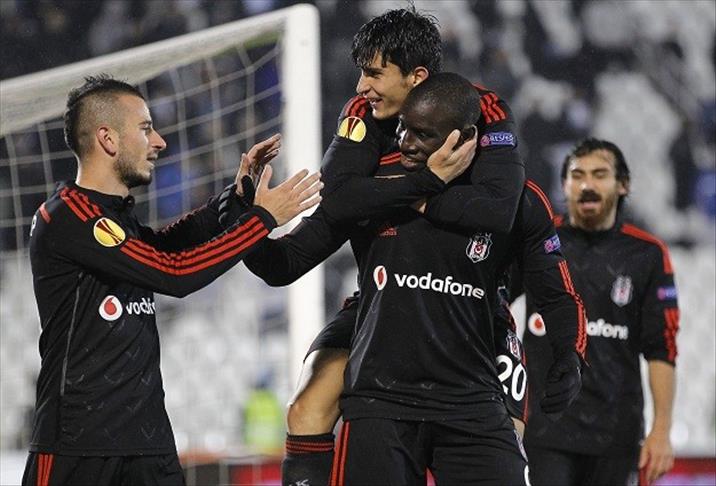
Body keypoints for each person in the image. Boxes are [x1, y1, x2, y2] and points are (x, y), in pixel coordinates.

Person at [246, 72, 586, 484]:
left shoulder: (513, 199)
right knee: (306, 409)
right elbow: (285, 263)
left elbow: (557, 293)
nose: (406, 142)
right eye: (403, 128)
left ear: (464, 137)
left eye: (422, 134)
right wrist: (248, 220)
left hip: (476, 359)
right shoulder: (372, 188)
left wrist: (570, 355)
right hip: (381, 371)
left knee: (510, 437)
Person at [22, 75, 322, 486]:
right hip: (79, 447)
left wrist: (235, 199)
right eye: (146, 129)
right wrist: (262, 219)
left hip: (149, 445)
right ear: (108, 139)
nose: (159, 141)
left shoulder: (118, 219)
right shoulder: (67, 216)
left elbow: (163, 244)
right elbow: (174, 273)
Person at [521, 138, 679, 485]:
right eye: (577, 175)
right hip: (546, 429)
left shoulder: (647, 254)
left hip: (616, 433)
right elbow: (495, 300)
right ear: (564, 185)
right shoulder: (540, 240)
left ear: (623, 185)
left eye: (600, 174)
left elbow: (662, 348)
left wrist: (661, 430)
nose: (587, 185)